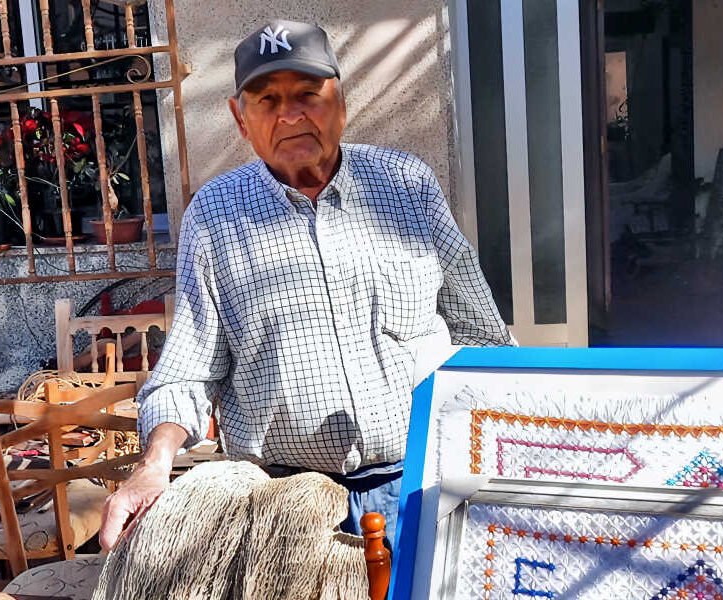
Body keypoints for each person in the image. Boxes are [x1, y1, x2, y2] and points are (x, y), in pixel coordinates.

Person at [99, 19, 512, 551]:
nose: (290, 115)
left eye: (307, 94)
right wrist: (153, 466)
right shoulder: (215, 215)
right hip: (287, 505)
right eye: (267, 100)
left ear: (340, 101)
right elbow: (188, 372)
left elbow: (482, 334)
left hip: (421, 486)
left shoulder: (407, 185)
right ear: (240, 119)